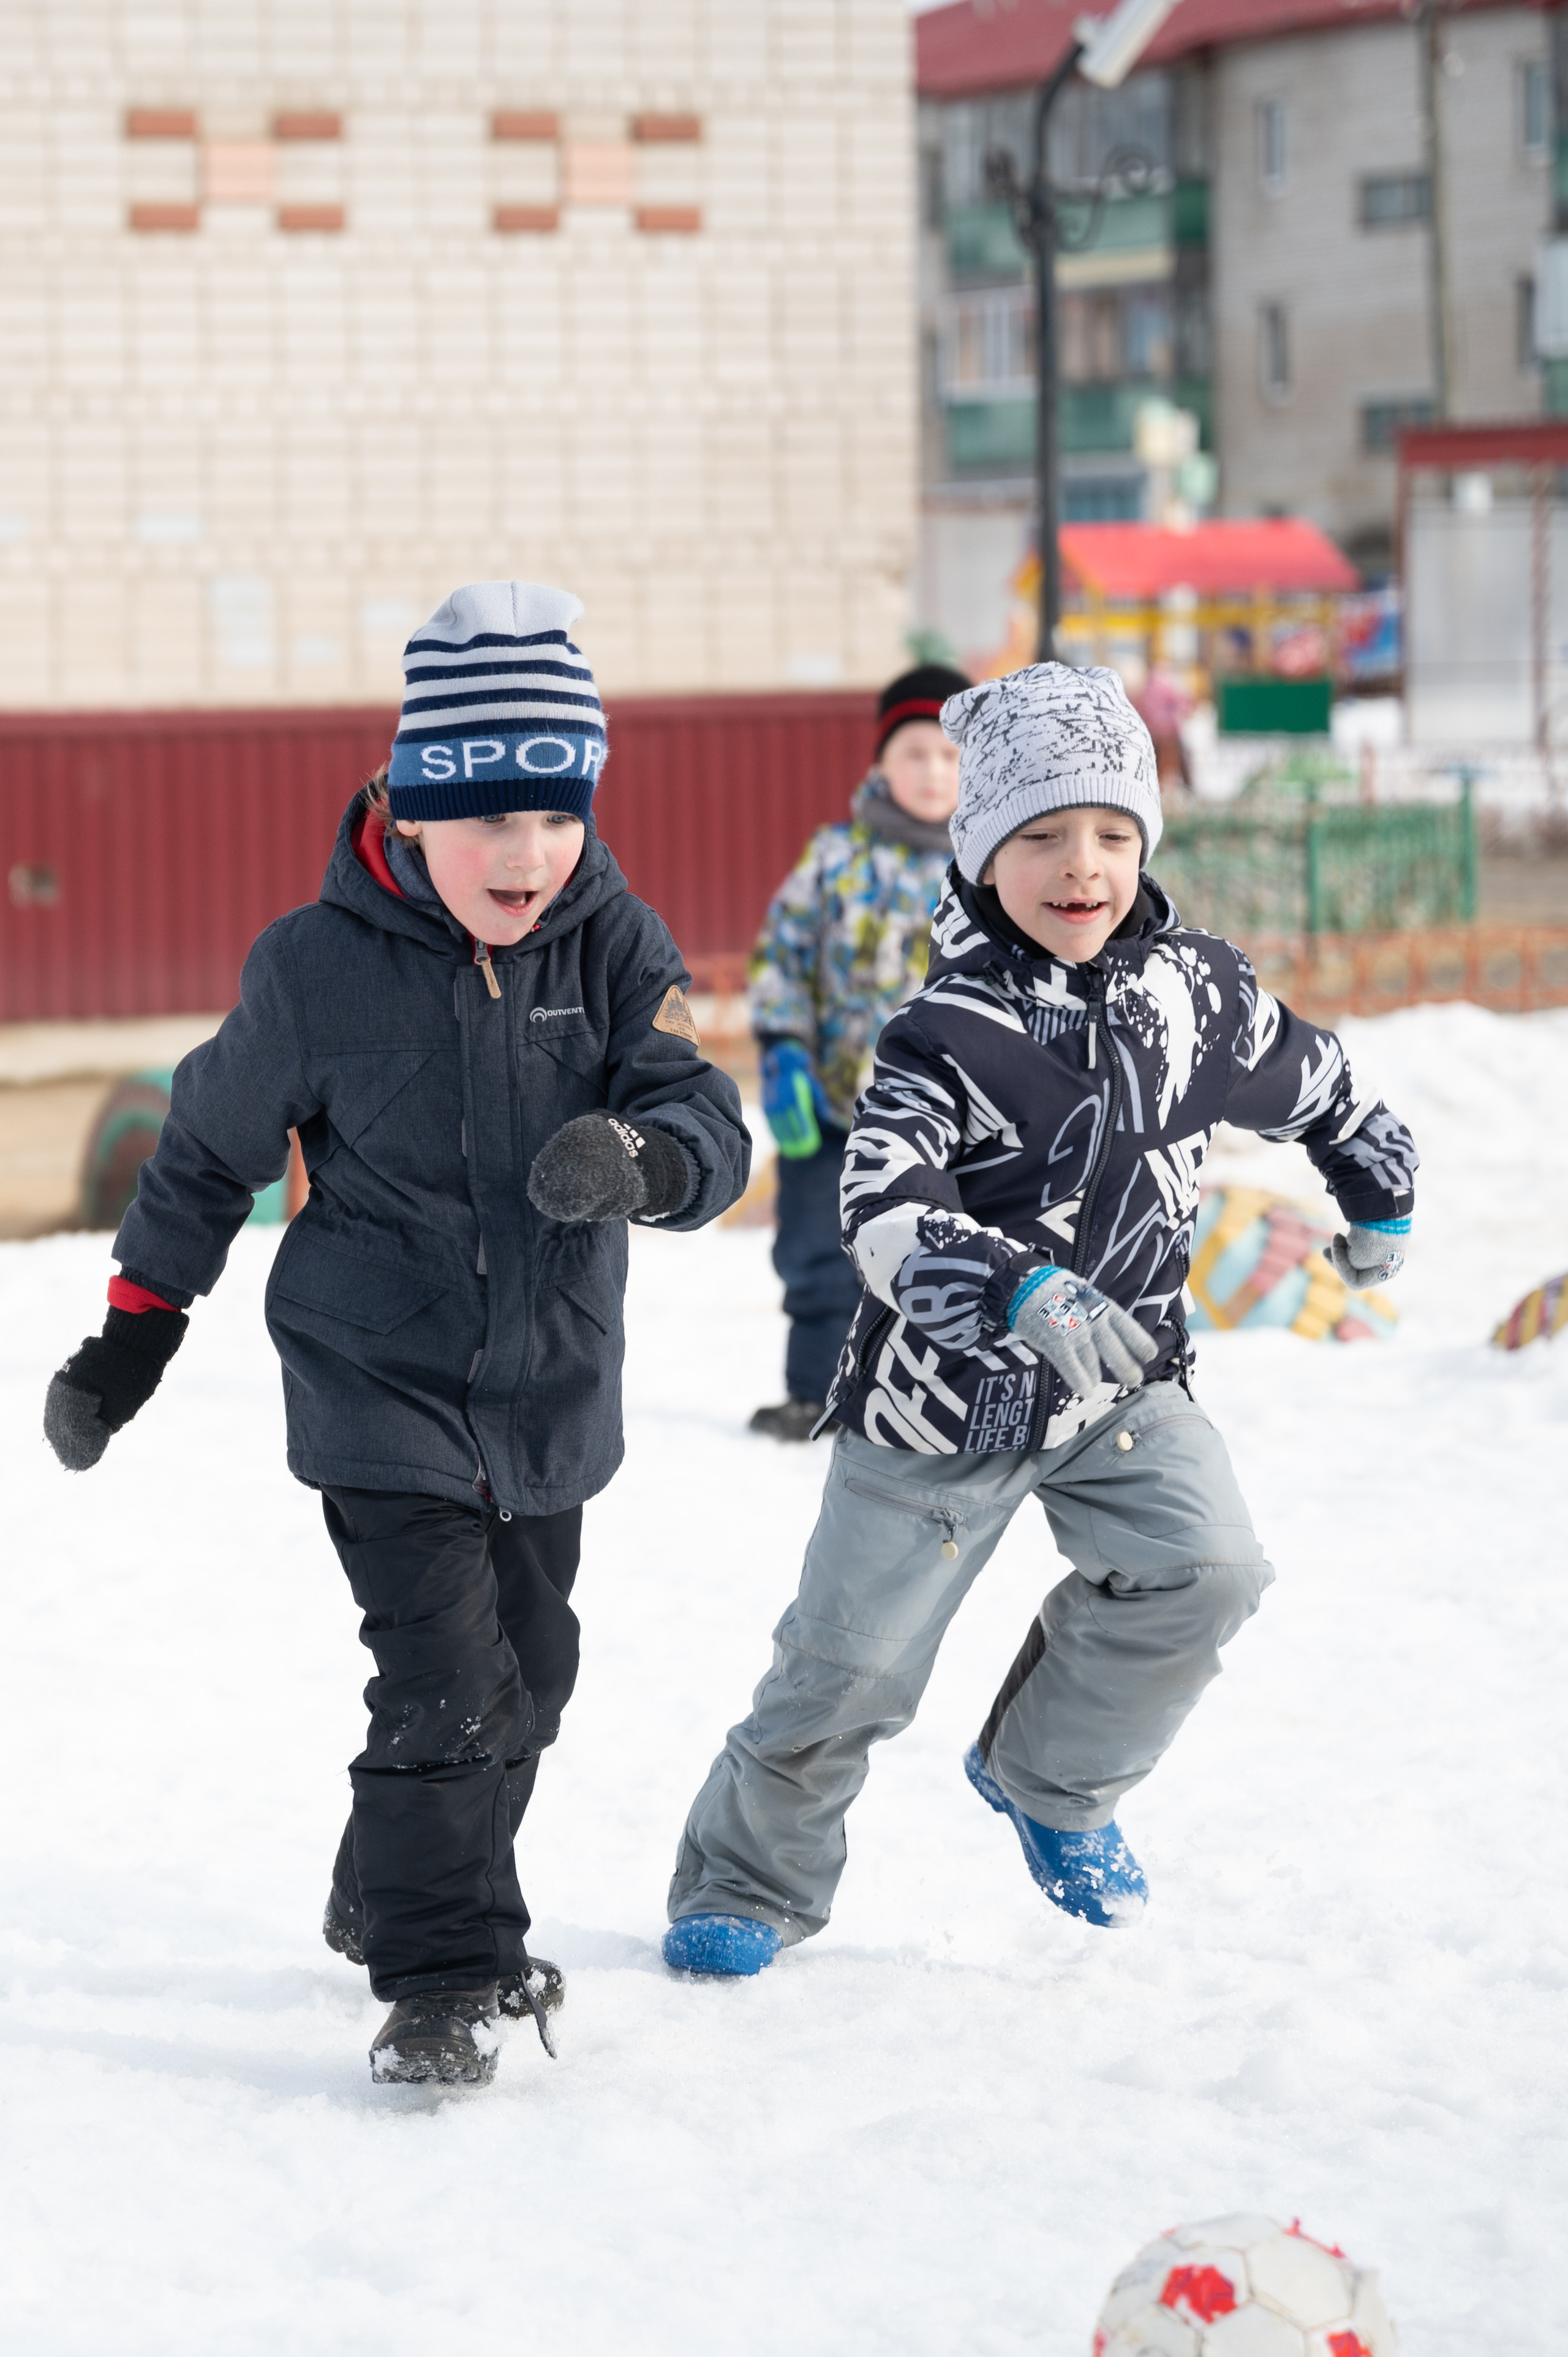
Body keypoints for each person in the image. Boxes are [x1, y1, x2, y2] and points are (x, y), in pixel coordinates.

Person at [42, 581, 749, 2083]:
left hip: (547, 1386)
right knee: (446, 1682)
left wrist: (646, 1161)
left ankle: (387, 1887)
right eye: (488, 816)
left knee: (534, 1676)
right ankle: (445, 1969)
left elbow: (701, 1110)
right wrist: (131, 1334)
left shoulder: (611, 941)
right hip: (378, 1381)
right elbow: (201, 1153)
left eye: (554, 813)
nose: (527, 853)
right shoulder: (311, 968)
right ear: (413, 808)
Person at [662, 661, 1416, 1978]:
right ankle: (747, 1878)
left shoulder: (1196, 995)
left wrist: (1377, 1181)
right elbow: (883, 1201)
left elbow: (1316, 1079)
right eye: (1042, 836)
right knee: (845, 1670)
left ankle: (1049, 1780)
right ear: (978, 855)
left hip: (1120, 1386)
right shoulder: (940, 1029)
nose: (1082, 866)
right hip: (940, 1405)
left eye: (1113, 834)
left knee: (1210, 1567)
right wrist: (1010, 1283)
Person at [748, 662, 971, 1442]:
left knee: (940, 1260)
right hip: (838, 1109)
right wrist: (781, 1049)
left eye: (950, 755)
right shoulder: (835, 860)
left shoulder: (993, 870)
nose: (933, 771)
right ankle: (817, 1390)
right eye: (915, 753)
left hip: (953, 1126)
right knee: (817, 1252)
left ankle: (938, 1403)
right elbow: (783, 954)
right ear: (880, 762)